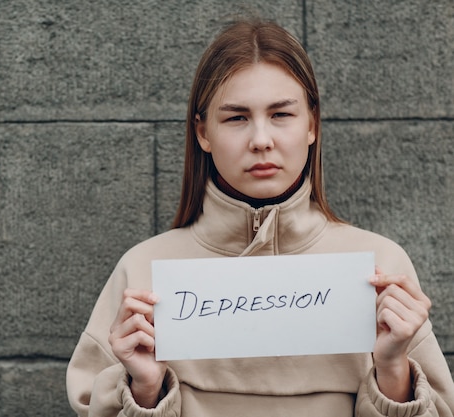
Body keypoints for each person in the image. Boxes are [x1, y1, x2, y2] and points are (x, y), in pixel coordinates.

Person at [66, 17, 454, 417]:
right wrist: (144, 390)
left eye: (281, 114)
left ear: (312, 124)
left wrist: (392, 369)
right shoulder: (141, 273)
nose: (261, 140)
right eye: (236, 118)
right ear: (203, 133)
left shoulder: (380, 267)